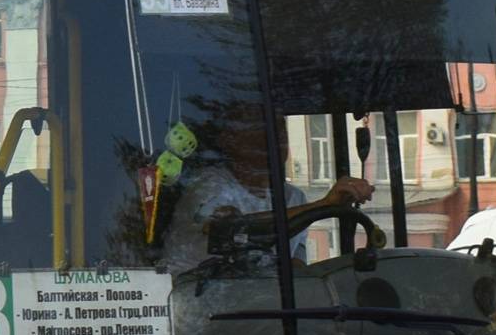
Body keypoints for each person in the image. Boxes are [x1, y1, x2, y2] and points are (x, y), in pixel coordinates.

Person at [153, 119, 372, 279]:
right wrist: (323, 205)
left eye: (280, 131)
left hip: (261, 306)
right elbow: (234, 230)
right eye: (258, 131)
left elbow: (295, 266)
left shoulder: (293, 197)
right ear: (230, 142)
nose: (273, 141)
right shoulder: (207, 185)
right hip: (193, 302)